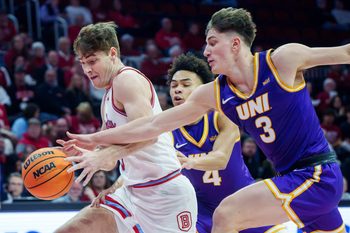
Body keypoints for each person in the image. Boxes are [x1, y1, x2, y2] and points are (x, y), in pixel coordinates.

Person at [66, 8, 350, 233]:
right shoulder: (214, 93)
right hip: (290, 178)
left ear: (236, 44)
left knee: (226, 214)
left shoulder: (283, 61)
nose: (206, 51)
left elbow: (345, 52)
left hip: (316, 174)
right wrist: (95, 139)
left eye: (213, 43)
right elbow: (153, 125)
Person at [55, 22, 197, 233]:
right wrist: (88, 153)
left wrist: (107, 154)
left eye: (93, 61)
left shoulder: (127, 80)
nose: (87, 69)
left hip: (164, 192)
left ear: (113, 53)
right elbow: (110, 153)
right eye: (83, 62)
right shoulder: (107, 96)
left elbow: (150, 136)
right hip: (131, 193)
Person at [167, 53, 283, 233]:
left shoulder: (222, 115)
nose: (177, 89)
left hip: (244, 203)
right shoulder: (167, 130)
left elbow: (220, 158)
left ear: (204, 89)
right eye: (174, 86)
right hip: (202, 213)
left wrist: (190, 161)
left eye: (186, 84)